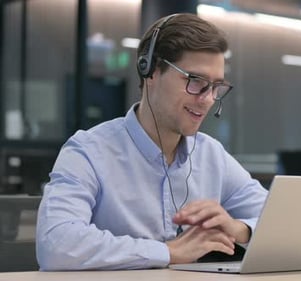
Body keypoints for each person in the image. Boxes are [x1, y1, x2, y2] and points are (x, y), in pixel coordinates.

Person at [36, 13, 268, 270]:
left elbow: (282, 220)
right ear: (151, 71)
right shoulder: (88, 151)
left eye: (215, 86)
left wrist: (240, 229)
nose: (207, 99)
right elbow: (56, 244)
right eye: (195, 81)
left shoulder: (210, 154)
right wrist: (167, 252)